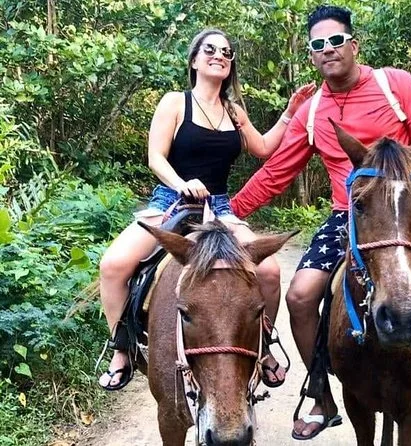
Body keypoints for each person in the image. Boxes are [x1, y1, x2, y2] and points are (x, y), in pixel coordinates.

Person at [230, 5, 411, 439]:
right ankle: (320, 391)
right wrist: (229, 211)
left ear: (354, 45)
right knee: (301, 295)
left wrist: (407, 185)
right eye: (318, 45)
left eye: (336, 40)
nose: (328, 49)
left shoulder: (397, 85)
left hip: (407, 205)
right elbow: (275, 173)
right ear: (311, 55)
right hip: (348, 214)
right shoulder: (312, 111)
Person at [97, 28, 316, 391]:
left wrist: (289, 114)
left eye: (226, 52)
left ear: (231, 64)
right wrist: (181, 183)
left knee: (270, 271)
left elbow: (262, 148)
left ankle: (262, 345)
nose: (219, 56)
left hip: (219, 207)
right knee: (113, 265)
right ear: (195, 60)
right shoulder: (174, 102)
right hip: (171, 201)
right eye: (210, 49)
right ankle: (122, 349)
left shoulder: (234, 111)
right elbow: (155, 157)